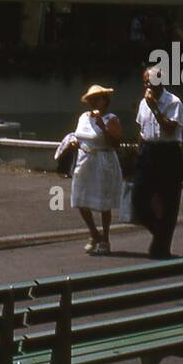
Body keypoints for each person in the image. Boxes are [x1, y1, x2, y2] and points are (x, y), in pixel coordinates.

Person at [132, 66, 183, 260]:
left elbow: (170, 129)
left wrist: (154, 106)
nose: (147, 85)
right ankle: (161, 235)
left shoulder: (173, 102)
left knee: (169, 201)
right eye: (145, 81)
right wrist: (138, 155)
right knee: (138, 199)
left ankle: (162, 246)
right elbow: (142, 131)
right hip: (148, 152)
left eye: (151, 80)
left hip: (168, 152)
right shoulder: (143, 103)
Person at [69, 86, 123, 257]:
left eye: (97, 98)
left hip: (103, 162)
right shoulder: (83, 117)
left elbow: (115, 144)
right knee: (79, 199)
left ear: (105, 100)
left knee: (103, 203)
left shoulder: (111, 119)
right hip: (84, 160)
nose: (93, 102)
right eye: (91, 99)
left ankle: (105, 239)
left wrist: (103, 127)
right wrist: (74, 143)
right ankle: (94, 233)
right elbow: (79, 136)